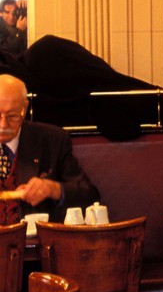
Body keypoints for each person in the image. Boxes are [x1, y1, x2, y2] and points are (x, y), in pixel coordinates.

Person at [0, 72, 98, 217]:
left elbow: (88, 196)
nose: (3, 124)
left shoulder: (52, 140)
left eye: (12, 116)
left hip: (32, 237)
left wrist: (54, 189)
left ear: (25, 109)